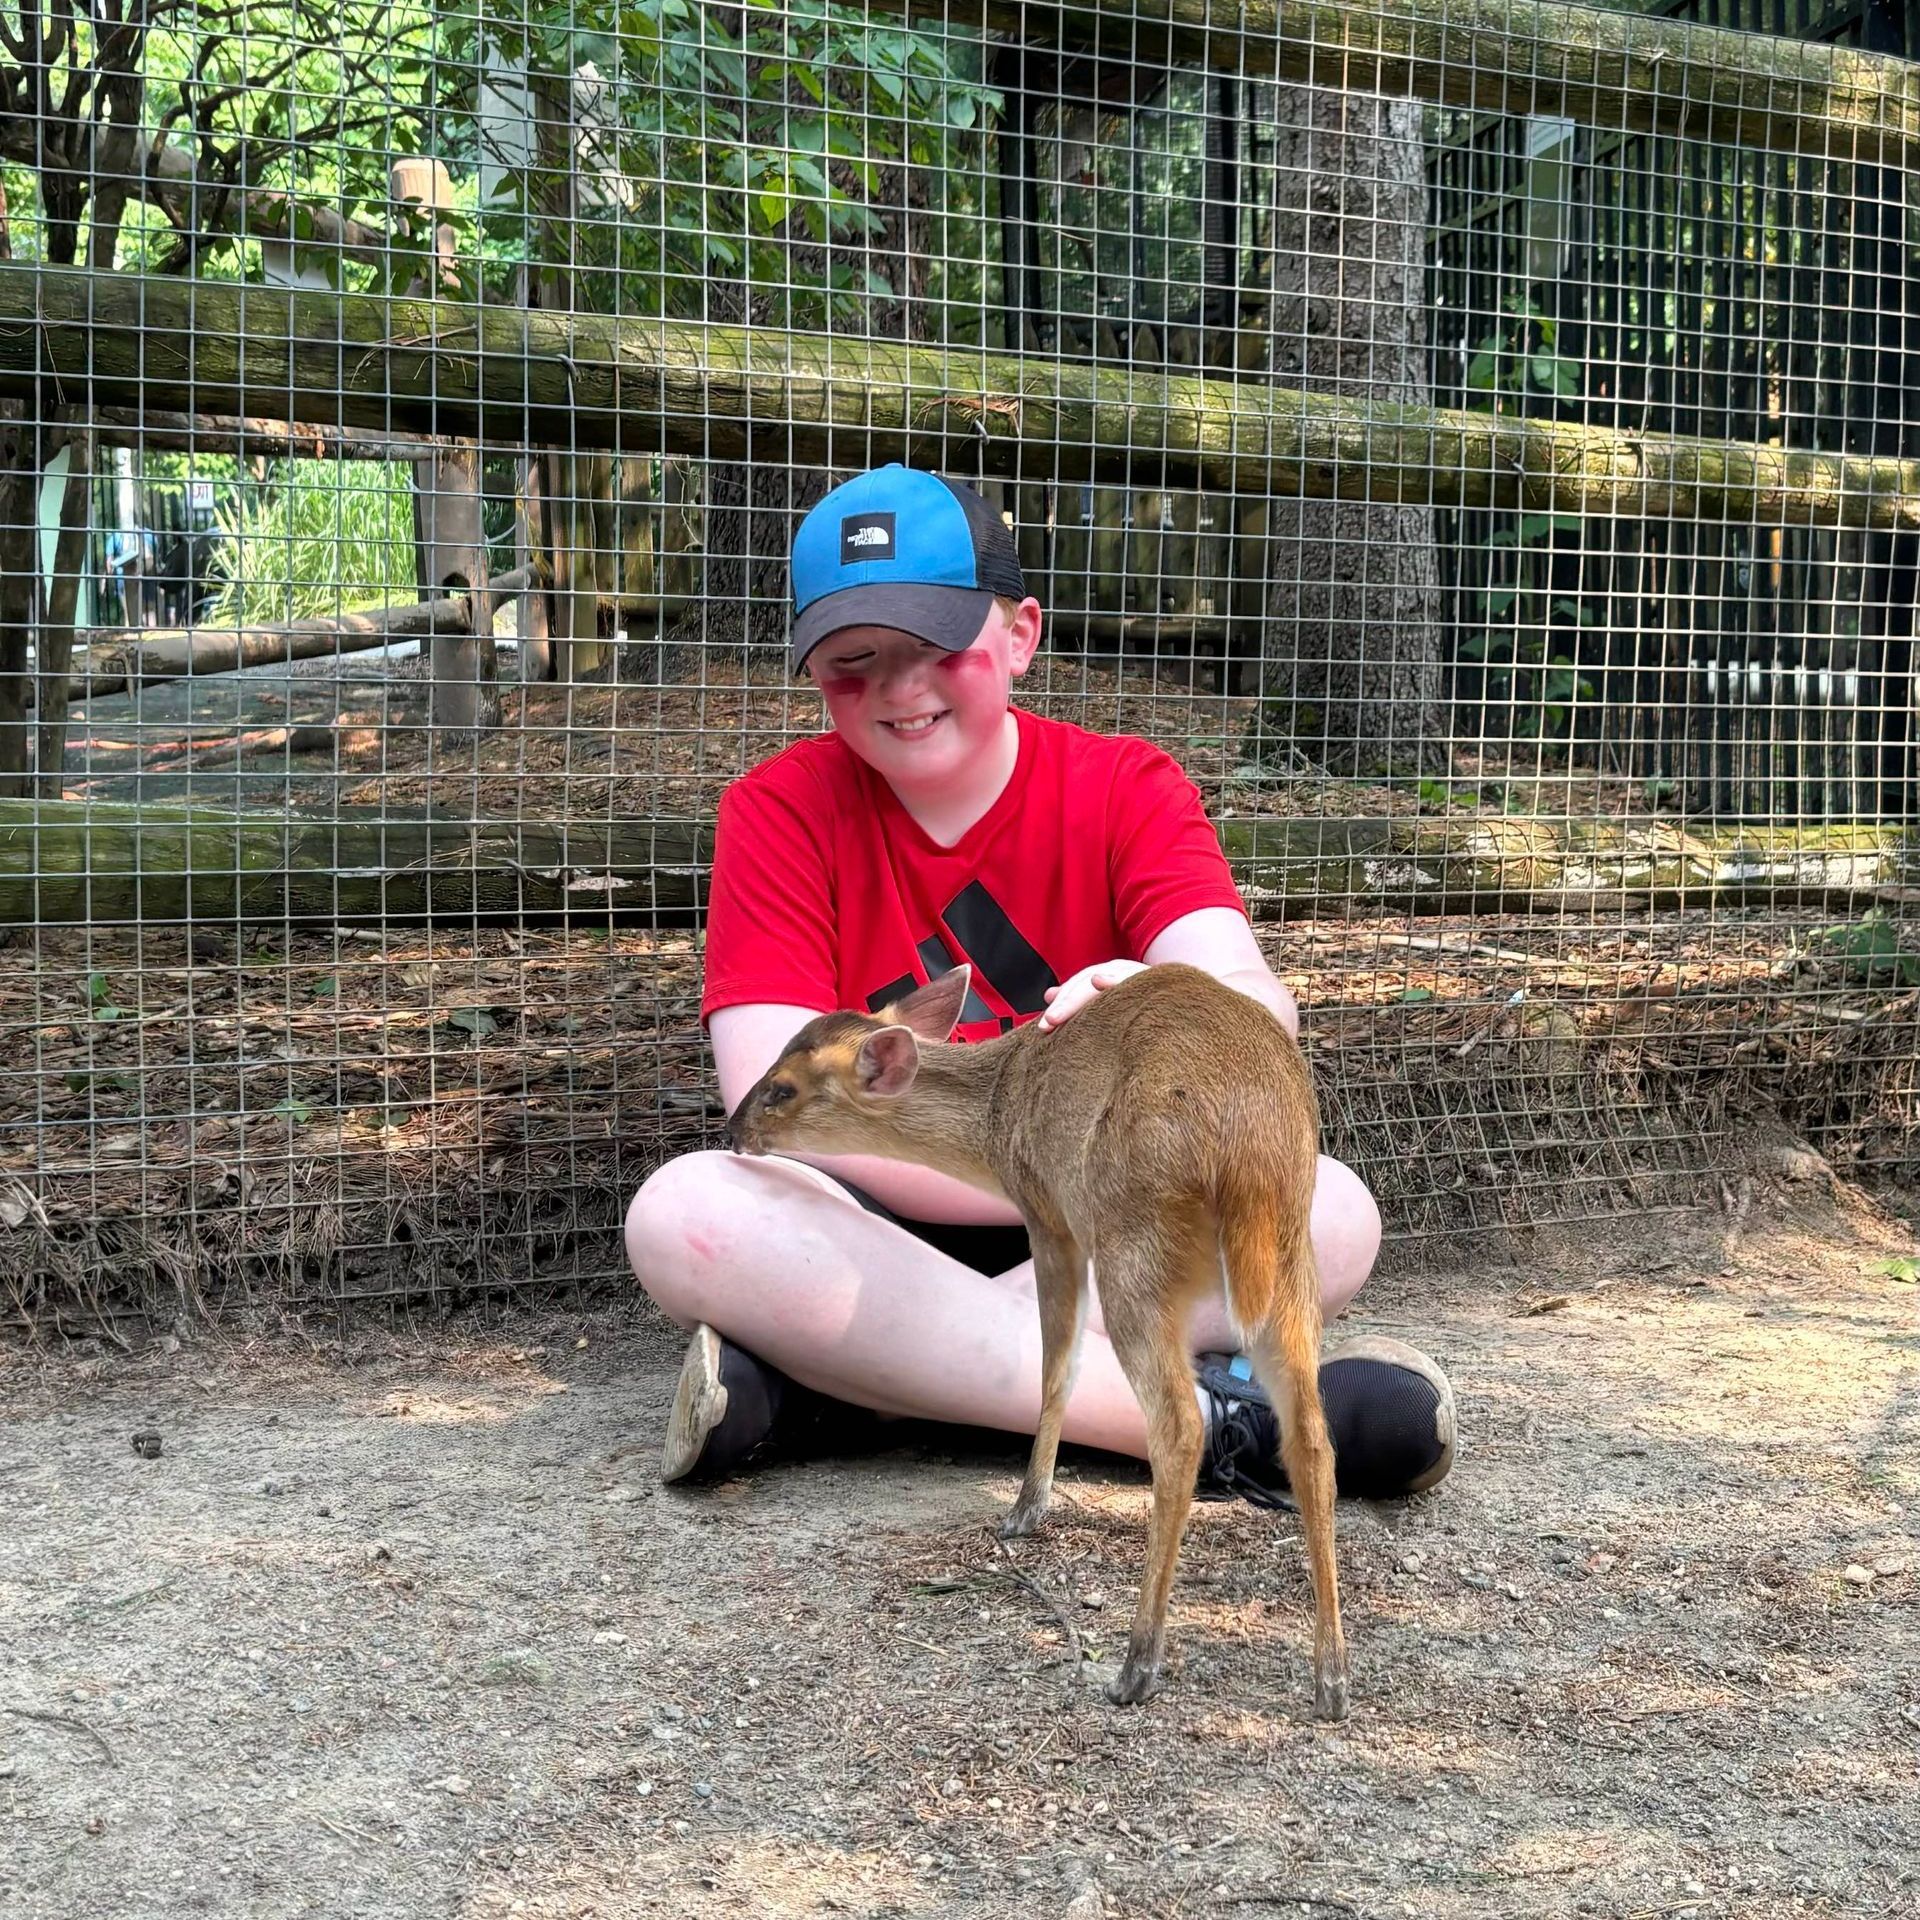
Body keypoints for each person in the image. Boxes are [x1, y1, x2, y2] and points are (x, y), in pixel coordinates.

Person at [626, 465, 1455, 1507]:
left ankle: (857, 1394)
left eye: (935, 646)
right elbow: (775, 1105)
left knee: (1332, 1205)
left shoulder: (1125, 787)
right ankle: (1212, 1427)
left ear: (1020, 633)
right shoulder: (778, 812)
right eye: (852, 663)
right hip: (875, 1218)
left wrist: (1165, 1002)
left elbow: (1252, 1005)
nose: (898, 686)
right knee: (684, 1212)